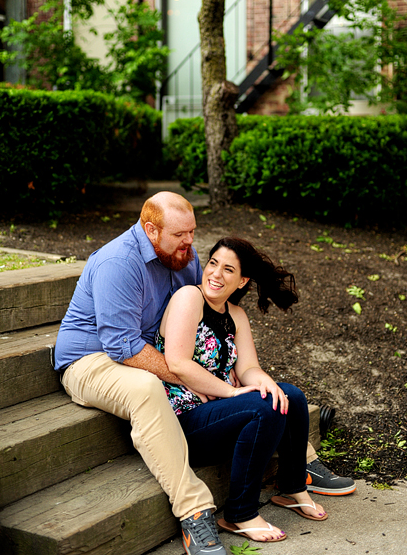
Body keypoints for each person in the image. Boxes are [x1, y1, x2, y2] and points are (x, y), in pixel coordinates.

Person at [53, 192, 352, 555]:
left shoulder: (183, 257)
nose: (190, 244)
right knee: (147, 387)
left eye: (193, 232)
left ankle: (300, 467)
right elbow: (121, 345)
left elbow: (211, 310)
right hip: (91, 359)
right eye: (181, 234)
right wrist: (194, 381)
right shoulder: (118, 262)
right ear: (150, 230)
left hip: (146, 351)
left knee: (275, 393)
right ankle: (194, 511)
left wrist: (231, 376)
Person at [156, 237, 326, 542]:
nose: (216, 274)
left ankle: (292, 487)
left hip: (217, 414)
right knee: (265, 407)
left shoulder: (236, 315)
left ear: (242, 280)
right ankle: (240, 514)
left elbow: (248, 368)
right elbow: (178, 363)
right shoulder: (188, 298)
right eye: (212, 263)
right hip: (184, 420)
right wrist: (232, 392)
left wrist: (265, 381)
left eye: (228, 269)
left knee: (291, 397)